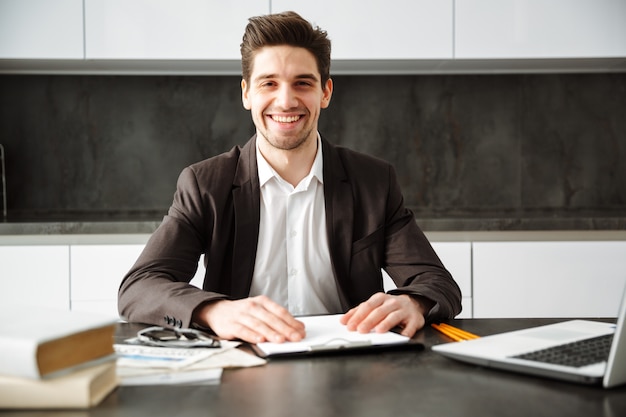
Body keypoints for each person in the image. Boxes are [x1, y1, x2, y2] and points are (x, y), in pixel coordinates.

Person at [118, 11, 462, 344]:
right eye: (269, 83)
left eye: (302, 83)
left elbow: (437, 283)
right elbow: (139, 287)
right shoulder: (205, 184)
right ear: (246, 93)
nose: (286, 101)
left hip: (350, 372)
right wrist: (215, 311)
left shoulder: (373, 181)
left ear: (325, 92)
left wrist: (412, 302)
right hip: (244, 370)